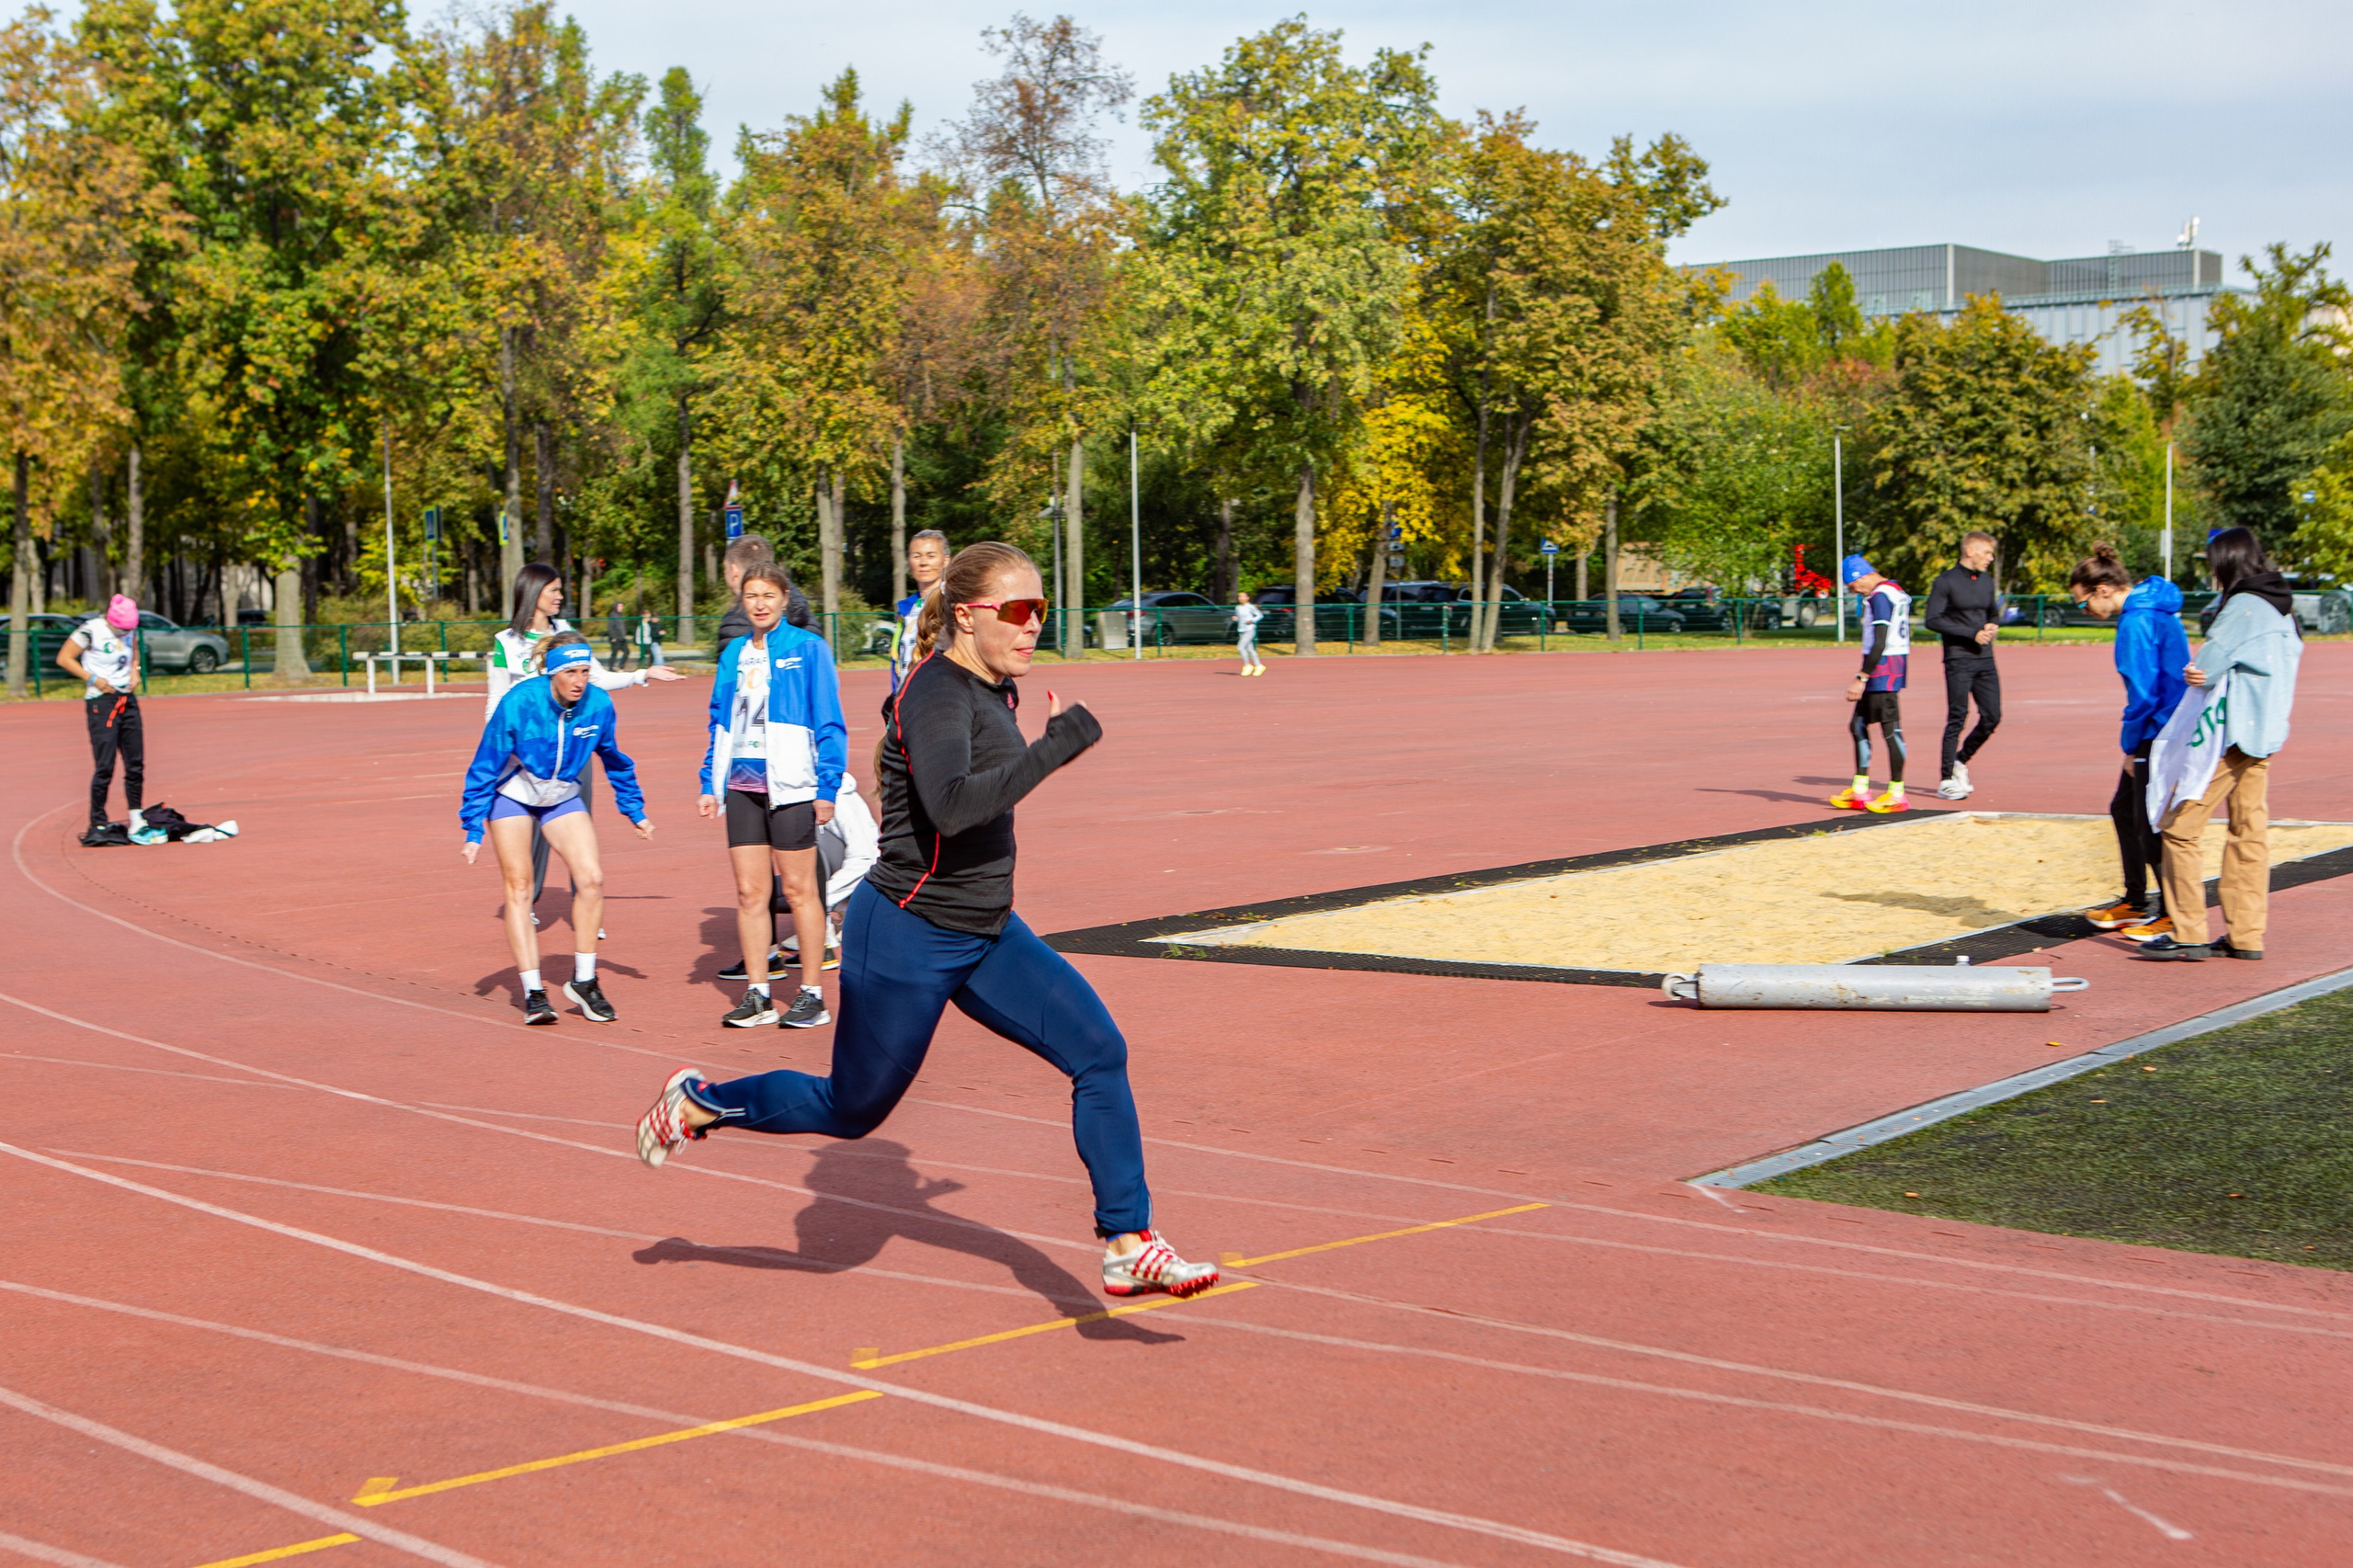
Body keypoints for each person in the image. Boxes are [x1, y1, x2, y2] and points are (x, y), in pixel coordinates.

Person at [636, 540, 1221, 1301]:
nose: (1033, 625)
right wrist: (1052, 753)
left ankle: (1127, 1241)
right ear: (971, 616)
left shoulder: (989, 685)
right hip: (908, 934)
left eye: (1041, 610)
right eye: (1017, 611)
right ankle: (702, 1102)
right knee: (850, 1110)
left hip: (985, 931)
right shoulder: (937, 692)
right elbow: (952, 806)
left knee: (1099, 1054)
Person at [460, 637, 653, 1023]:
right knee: (519, 887)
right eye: (570, 672)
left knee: (592, 879)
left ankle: (584, 981)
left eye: (584, 672)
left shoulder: (598, 704)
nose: (579, 681)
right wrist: (473, 827)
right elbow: (485, 764)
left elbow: (614, 758)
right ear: (551, 672)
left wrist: (634, 810)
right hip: (513, 791)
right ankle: (533, 991)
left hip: (561, 794)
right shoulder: (520, 702)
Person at [2136, 528, 2301, 961]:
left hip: (2232, 736)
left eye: (2213, 562)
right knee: (2249, 833)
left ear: (2225, 562)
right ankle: (2246, 935)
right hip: (2266, 735)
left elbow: (2206, 667)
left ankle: (2188, 930)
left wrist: (2195, 672)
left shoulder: (2244, 605)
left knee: (2179, 827)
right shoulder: (2283, 605)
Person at [701, 563, 847, 1029]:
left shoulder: (808, 649)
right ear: (742, 602)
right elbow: (719, 721)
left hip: (793, 786)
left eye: (768, 594)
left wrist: (827, 787)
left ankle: (811, 995)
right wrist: (710, 780)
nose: (759, 603)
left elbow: (829, 722)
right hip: (743, 784)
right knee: (750, 893)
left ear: (785, 598)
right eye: (751, 596)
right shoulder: (734, 654)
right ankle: (759, 994)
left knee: (801, 891)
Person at [489, 564, 682, 912]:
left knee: (579, 822)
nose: (560, 597)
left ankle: (587, 901)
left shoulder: (568, 634)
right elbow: (497, 699)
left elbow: (595, 679)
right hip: (527, 752)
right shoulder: (506, 641)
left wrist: (642, 674)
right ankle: (525, 902)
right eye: (554, 590)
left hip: (573, 743)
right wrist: (497, 747)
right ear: (533, 593)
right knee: (528, 828)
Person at [2066, 544, 2188, 935]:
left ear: (2103, 589)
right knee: (2124, 810)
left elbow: (2144, 692)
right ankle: (2136, 900)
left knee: (2149, 819)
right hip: (2167, 725)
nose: (2083, 611)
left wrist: (2132, 746)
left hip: (2157, 730)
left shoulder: (2135, 621)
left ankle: (2170, 912)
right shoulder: (2157, 610)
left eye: (2083, 603)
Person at [719, 772, 879, 980]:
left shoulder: (841, 797)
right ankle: (774, 955)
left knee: (800, 871)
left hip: (853, 883)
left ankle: (821, 941)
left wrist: (823, 899)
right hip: (824, 877)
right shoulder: (788, 791)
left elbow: (867, 857)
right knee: (761, 889)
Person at [60, 595, 145, 846]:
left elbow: (135, 653)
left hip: (127, 699)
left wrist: (135, 672)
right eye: (121, 629)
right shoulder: (90, 630)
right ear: (111, 621)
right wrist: (92, 679)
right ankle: (97, 821)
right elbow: (64, 658)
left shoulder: (131, 631)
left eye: (128, 630)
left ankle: (137, 818)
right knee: (105, 765)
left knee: (136, 763)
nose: (125, 633)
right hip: (101, 701)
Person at [1829, 555, 1911, 813]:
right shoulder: (1893, 591)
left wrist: (1862, 676)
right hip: (1884, 666)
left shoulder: (1880, 596)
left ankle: (1897, 793)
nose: (1853, 592)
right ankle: (1860, 789)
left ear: (1860, 577)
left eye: (1852, 587)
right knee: (1858, 725)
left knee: (1890, 730)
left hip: (1883, 669)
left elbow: (1880, 641)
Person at [1924, 531, 2003, 799]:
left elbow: (1992, 611)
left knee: (1993, 716)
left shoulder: (1986, 581)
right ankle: (1946, 779)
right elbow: (1932, 620)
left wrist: (1992, 623)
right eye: (1987, 553)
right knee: (1957, 716)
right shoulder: (1945, 581)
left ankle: (1960, 760)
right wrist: (1971, 634)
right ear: (1970, 551)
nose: (1990, 559)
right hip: (1958, 658)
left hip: (1985, 659)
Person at [892, 528, 950, 692]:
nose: (923, 562)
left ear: (945, 560)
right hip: (906, 704)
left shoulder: (954, 603)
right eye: (917, 556)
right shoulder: (906, 609)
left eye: (931, 556)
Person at [1234, 590, 1265, 676]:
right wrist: (1235, 619)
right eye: (1239, 596)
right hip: (1241, 630)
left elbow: (1260, 615)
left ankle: (1247, 665)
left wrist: (1252, 621)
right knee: (1250, 649)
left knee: (1240, 648)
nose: (1241, 598)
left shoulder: (1250, 607)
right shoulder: (1238, 607)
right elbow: (1238, 618)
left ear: (1248, 598)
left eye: (1243, 596)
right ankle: (1259, 666)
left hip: (1250, 630)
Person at [606, 601, 631, 670]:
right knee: (614, 653)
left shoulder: (620, 615)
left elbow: (621, 627)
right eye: (619, 606)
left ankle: (621, 666)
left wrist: (624, 635)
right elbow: (610, 627)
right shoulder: (612, 615)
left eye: (622, 606)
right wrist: (613, 637)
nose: (621, 608)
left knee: (627, 652)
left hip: (622, 638)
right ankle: (611, 668)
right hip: (616, 638)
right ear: (616, 607)